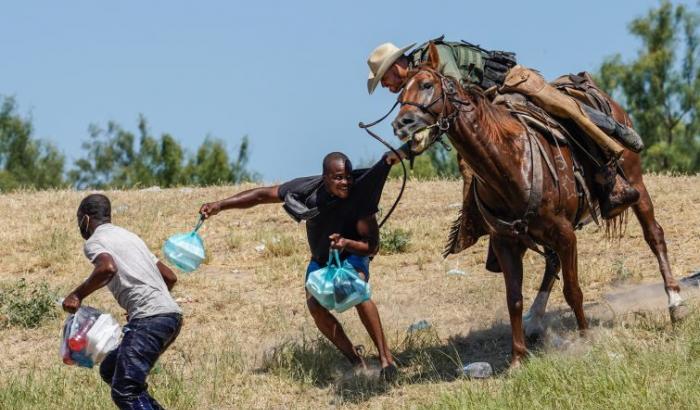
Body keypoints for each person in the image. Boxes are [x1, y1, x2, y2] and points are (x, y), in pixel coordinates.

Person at [367, 37, 644, 248]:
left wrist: (410, 146)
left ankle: (611, 144)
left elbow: (456, 98)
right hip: (487, 107)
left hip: (510, 83)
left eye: (384, 78)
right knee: (471, 163)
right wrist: (405, 149)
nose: (385, 86)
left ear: (397, 65)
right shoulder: (416, 87)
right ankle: (488, 222)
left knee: (561, 108)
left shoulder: (433, 57)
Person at [199, 152, 398, 379]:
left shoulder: (359, 197)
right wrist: (220, 205)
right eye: (339, 178)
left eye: (349, 177)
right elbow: (262, 195)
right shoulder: (306, 190)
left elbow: (371, 247)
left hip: (352, 254)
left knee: (355, 290)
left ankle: (386, 361)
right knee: (315, 307)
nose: (346, 183)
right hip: (321, 260)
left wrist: (346, 243)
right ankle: (356, 361)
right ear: (325, 177)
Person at [63, 194, 182, 410]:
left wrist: (77, 295)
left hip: (150, 319)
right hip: (171, 316)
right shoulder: (130, 237)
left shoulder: (95, 241)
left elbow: (106, 268)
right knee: (111, 369)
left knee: (125, 390)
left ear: (85, 219)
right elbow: (169, 277)